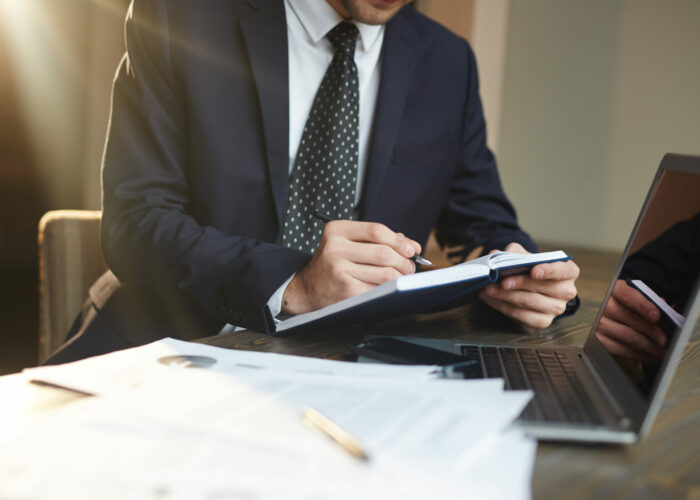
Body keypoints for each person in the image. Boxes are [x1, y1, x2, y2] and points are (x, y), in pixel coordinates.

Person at [46, 0, 579, 364]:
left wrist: (525, 278)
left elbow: (484, 224)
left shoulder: (448, 60)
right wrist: (293, 285)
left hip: (356, 370)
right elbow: (136, 224)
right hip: (170, 348)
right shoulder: (179, 14)